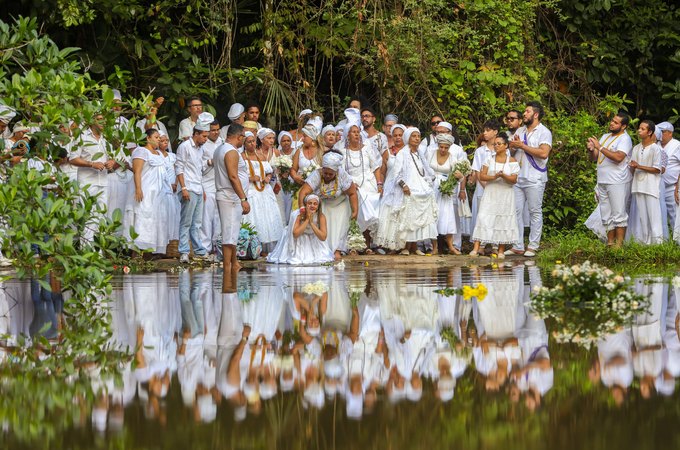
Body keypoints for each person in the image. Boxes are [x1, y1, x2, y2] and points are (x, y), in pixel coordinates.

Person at [376, 127, 437, 255]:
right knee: (407, 218)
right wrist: (404, 185)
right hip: (407, 189)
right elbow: (396, 174)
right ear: (408, 138)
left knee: (415, 218)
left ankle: (414, 247)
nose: (416, 138)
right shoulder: (402, 154)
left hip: (419, 188)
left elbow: (425, 171)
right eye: (413, 136)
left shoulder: (419, 153)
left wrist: (428, 181)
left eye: (418, 136)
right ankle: (404, 247)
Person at [507, 101, 552, 257]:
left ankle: (533, 245)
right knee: (516, 212)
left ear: (536, 114)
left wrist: (522, 146)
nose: (524, 114)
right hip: (518, 177)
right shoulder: (520, 130)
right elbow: (513, 152)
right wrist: (513, 147)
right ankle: (518, 245)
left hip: (535, 178)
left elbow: (544, 153)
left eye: (527, 111)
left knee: (534, 211)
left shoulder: (544, 132)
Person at [298, 151, 358, 260]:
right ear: (323, 169)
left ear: (336, 171)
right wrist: (303, 209)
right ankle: (325, 249)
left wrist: (355, 211)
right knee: (323, 220)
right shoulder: (317, 174)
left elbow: (352, 193)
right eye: (326, 173)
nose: (328, 176)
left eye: (331, 174)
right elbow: (303, 192)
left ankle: (337, 250)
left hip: (340, 203)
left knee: (341, 220)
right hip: (322, 203)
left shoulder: (342, 175)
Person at [585, 112, 633, 248]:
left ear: (624, 126)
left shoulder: (625, 139)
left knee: (618, 213)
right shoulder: (605, 137)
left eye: (616, 122)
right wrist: (591, 149)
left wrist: (599, 146)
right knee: (606, 214)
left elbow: (618, 157)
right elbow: (595, 158)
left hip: (617, 181)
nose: (612, 123)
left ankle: (619, 245)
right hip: (603, 180)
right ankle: (610, 243)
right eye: (612, 121)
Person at [469, 134, 520, 258]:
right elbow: (482, 176)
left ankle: (500, 250)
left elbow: (514, 179)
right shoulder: (489, 159)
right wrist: (495, 176)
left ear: (506, 146)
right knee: (484, 217)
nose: (496, 146)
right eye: (495, 144)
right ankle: (476, 249)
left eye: (499, 144)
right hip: (491, 192)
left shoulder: (512, 161)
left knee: (502, 219)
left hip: (505, 194)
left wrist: (504, 176)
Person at [69, 115, 117, 242]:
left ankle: (97, 252)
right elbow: (73, 158)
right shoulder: (82, 136)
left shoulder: (106, 139)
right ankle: (86, 252)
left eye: (104, 119)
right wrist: (91, 164)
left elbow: (112, 158)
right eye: (100, 118)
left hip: (103, 182)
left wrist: (112, 162)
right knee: (88, 216)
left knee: (101, 215)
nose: (103, 121)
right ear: (92, 120)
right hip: (87, 182)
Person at [175, 112, 213, 263]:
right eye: (204, 136)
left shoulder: (200, 149)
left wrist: (209, 163)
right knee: (186, 221)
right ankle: (183, 251)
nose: (206, 139)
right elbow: (179, 167)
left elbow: (199, 170)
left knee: (197, 223)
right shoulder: (185, 146)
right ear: (196, 134)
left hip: (197, 187)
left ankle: (198, 250)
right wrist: (183, 188)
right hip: (188, 187)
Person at [241, 131, 284, 255]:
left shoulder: (261, 155)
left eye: (253, 141)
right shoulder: (241, 156)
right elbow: (238, 175)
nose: (252, 144)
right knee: (254, 216)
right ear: (244, 143)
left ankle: (265, 246)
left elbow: (269, 171)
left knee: (266, 217)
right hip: (250, 190)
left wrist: (268, 177)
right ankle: (252, 245)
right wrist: (250, 178)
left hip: (264, 190)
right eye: (249, 142)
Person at [343, 120, 383, 251]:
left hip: (368, 183)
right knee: (353, 214)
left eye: (358, 132)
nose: (356, 134)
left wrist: (379, 184)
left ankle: (367, 245)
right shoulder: (343, 152)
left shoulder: (367, 148)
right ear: (347, 135)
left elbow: (376, 167)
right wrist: (349, 184)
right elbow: (341, 172)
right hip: (351, 185)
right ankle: (353, 246)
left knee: (367, 215)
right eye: (353, 132)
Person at [215, 124, 250, 274]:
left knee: (233, 231)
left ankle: (233, 262)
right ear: (238, 136)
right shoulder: (230, 151)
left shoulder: (221, 149)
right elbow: (233, 176)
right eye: (243, 136)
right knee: (229, 233)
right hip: (230, 196)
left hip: (229, 196)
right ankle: (228, 266)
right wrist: (243, 198)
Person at [129, 129, 169, 255]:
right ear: (148, 138)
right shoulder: (141, 151)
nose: (159, 139)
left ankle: (151, 251)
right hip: (145, 191)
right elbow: (137, 171)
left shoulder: (158, 153)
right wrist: (138, 189)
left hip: (158, 195)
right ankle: (137, 251)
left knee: (156, 219)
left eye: (159, 137)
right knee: (143, 218)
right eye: (156, 137)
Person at [267, 194, 334, 264]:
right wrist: (307, 220)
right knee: (297, 259)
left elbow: (323, 237)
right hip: (299, 237)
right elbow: (295, 234)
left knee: (322, 258)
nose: (312, 206)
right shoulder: (299, 215)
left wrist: (311, 223)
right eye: (309, 203)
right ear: (305, 204)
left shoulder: (321, 216)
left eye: (315, 204)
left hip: (314, 237)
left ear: (318, 206)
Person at [428, 133, 466, 254]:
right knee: (432, 216)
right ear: (438, 145)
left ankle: (451, 246)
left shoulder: (453, 158)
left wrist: (459, 178)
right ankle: (434, 247)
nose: (443, 149)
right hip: (431, 188)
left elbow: (460, 176)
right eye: (441, 147)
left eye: (446, 147)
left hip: (445, 190)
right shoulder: (430, 154)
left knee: (447, 216)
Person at [629, 120, 662, 244]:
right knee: (643, 217)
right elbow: (633, 166)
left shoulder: (655, 149)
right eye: (639, 128)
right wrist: (632, 167)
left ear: (650, 132)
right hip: (638, 185)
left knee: (654, 217)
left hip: (651, 186)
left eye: (643, 129)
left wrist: (638, 166)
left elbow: (657, 169)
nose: (639, 131)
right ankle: (646, 244)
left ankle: (658, 245)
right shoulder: (636, 148)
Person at [469, 120, 500, 243]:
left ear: (495, 132)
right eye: (484, 130)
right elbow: (477, 170)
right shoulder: (480, 151)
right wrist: (486, 186)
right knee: (481, 215)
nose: (484, 133)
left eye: (488, 130)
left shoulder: (502, 150)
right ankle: (480, 243)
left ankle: (494, 243)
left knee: (496, 215)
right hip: (482, 188)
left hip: (498, 188)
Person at [200, 120, 223, 256]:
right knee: (206, 217)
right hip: (206, 183)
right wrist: (209, 162)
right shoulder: (203, 144)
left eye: (217, 129)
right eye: (213, 130)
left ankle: (218, 246)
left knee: (219, 217)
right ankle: (205, 247)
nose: (216, 132)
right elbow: (196, 164)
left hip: (220, 184)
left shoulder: (222, 142)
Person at [158, 131, 180, 245]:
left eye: (166, 140)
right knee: (164, 216)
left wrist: (176, 183)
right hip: (163, 189)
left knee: (174, 214)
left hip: (174, 189)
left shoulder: (172, 156)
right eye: (162, 141)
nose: (165, 143)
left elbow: (178, 170)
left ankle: (173, 241)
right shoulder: (156, 155)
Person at [658, 122, 680, 231]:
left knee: (674, 215)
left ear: (670, 133)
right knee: (659, 215)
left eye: (662, 132)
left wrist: (678, 187)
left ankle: (677, 242)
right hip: (657, 186)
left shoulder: (677, 145)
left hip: (672, 186)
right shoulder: (656, 145)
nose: (660, 134)